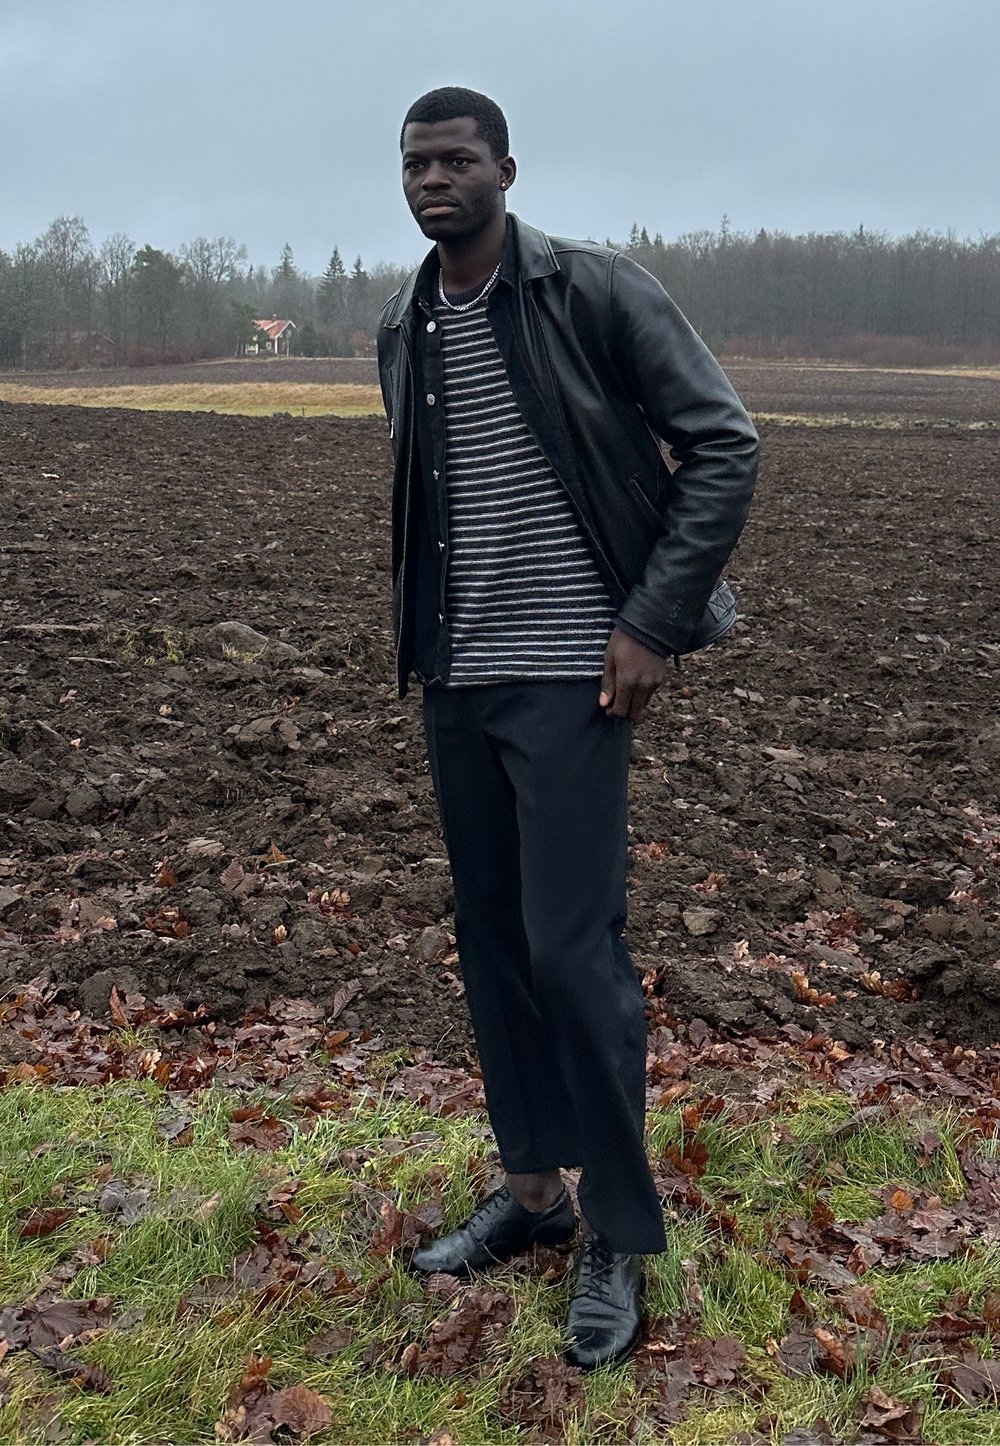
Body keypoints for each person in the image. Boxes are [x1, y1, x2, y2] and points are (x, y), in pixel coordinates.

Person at [377, 86, 758, 1371]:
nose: (434, 179)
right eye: (416, 162)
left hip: (575, 681)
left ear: (505, 169)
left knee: (570, 950)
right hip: (460, 681)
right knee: (489, 940)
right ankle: (534, 1197)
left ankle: (621, 1233)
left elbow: (723, 441)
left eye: (456, 159)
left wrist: (652, 621)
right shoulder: (406, 323)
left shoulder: (592, 293)